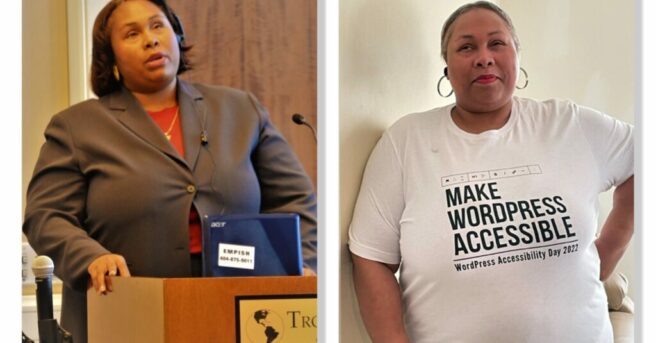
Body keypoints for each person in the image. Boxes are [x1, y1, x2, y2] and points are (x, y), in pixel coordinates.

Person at [22, 0, 317, 341]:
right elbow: (45, 216)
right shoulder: (76, 127)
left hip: (238, 311)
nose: (150, 39)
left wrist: (302, 264)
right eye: (132, 34)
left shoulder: (241, 109)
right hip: (124, 310)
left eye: (158, 26)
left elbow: (296, 200)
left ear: (177, 34)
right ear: (110, 57)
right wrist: (90, 257)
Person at [348, 1, 633, 342]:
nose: (484, 57)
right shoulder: (405, 141)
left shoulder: (569, 125)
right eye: (466, 47)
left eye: (497, 43)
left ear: (517, 55)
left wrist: (611, 247)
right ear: (446, 67)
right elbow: (370, 256)